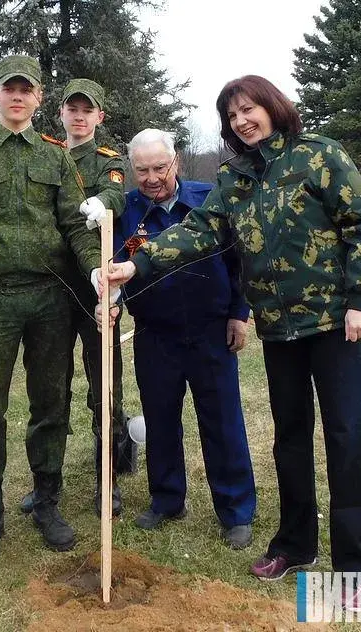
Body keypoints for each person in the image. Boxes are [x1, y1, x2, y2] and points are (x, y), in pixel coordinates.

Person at [105, 76, 361, 610]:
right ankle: (294, 544)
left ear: (273, 108)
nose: (241, 121)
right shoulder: (234, 178)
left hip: (332, 324)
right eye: (232, 115)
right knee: (290, 440)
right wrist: (134, 264)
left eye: (249, 109)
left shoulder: (318, 156)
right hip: (279, 329)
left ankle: (360, 568)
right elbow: (201, 231)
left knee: (346, 440)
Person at [0, 55, 103, 563]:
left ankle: (47, 501)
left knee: (50, 404)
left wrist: (96, 269)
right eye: (8, 89)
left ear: (39, 99)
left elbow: (74, 224)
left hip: (49, 298)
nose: (17, 97)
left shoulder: (57, 157)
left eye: (27, 90)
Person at [108, 128, 256, 549]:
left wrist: (239, 315)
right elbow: (116, 265)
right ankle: (167, 500)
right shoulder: (126, 212)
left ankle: (236, 511)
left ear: (176, 162)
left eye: (160, 167)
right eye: (142, 170)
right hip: (155, 334)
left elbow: (239, 261)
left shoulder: (210, 199)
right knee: (160, 420)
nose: (152, 177)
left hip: (211, 331)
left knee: (223, 422)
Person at [17, 77, 136, 519]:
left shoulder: (109, 161)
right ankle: (45, 483)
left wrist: (99, 204)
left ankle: (109, 482)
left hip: (97, 287)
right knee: (49, 390)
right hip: (51, 287)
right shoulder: (45, 157)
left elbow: (116, 194)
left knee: (106, 389)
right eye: (73, 109)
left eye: (89, 110)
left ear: (100, 117)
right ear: (61, 113)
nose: (80, 117)